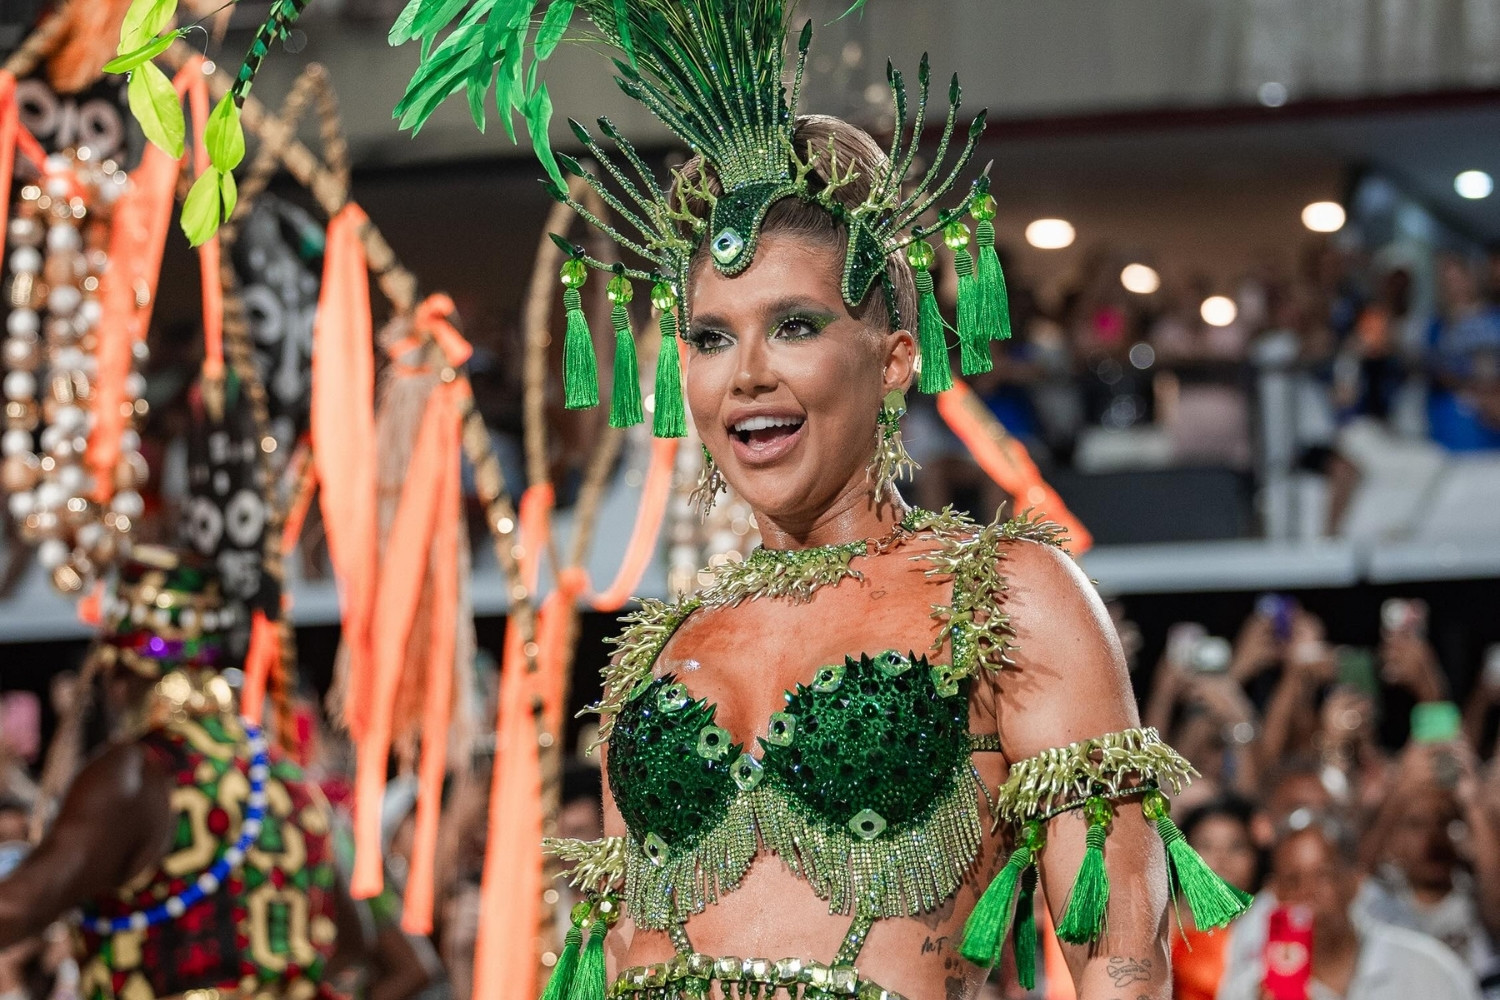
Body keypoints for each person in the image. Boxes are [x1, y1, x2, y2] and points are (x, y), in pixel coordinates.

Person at [379, 5, 1246, 1000]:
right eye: (710, 338)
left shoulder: (1007, 595)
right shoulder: (662, 651)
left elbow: (1122, 957)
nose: (746, 373)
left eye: (793, 326)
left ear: (894, 359)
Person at [0, 549, 411, 1000]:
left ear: (118, 673)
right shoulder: (283, 775)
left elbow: (15, 910)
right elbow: (353, 942)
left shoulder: (135, 773)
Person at [1220, 815, 1479, 1000]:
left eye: (1323, 876)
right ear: (1276, 894)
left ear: (1354, 883)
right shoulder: (1250, 991)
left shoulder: (1427, 969)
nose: (1307, 893)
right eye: (1292, 881)